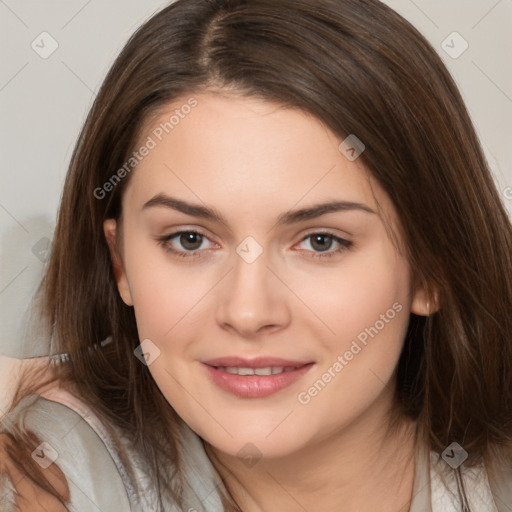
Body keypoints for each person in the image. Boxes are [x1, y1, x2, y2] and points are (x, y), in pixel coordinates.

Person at [1, 0, 511, 510]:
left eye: (320, 241)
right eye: (190, 240)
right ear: (121, 263)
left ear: (431, 269)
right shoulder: (41, 477)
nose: (248, 312)